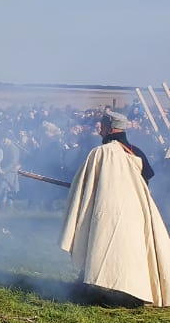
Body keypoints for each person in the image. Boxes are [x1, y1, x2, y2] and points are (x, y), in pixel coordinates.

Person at [60, 111, 170, 306]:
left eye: (101, 125)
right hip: (137, 213)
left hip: (108, 214)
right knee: (130, 252)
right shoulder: (136, 152)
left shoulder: (101, 153)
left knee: (102, 246)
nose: (99, 129)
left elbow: (88, 183)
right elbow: (146, 180)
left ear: (109, 128)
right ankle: (122, 291)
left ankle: (96, 290)